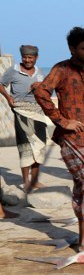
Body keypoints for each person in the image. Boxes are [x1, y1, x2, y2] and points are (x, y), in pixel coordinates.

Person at [34, 27, 84, 251]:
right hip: (72, 138)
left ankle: (83, 238)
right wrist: (61, 120)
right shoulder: (62, 69)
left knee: (83, 186)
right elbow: (41, 92)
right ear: (72, 48)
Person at [0, 45, 52, 193]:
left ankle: (35, 181)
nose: (27, 60)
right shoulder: (13, 70)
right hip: (21, 111)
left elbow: (48, 90)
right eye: (25, 57)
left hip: (38, 113)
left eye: (30, 57)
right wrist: (8, 97)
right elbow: (1, 84)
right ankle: (26, 182)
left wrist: (40, 86)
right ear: (22, 57)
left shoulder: (40, 73)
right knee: (25, 147)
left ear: (36, 58)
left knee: (39, 147)